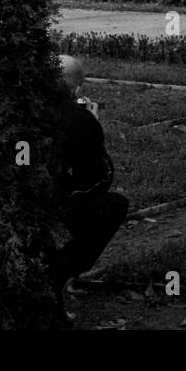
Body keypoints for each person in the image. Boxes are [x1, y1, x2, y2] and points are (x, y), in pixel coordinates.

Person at [48, 55, 129, 323]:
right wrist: (92, 123)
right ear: (78, 90)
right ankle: (57, 274)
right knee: (113, 205)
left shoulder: (20, 107)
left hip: (11, 200)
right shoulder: (78, 119)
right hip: (49, 206)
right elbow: (99, 179)